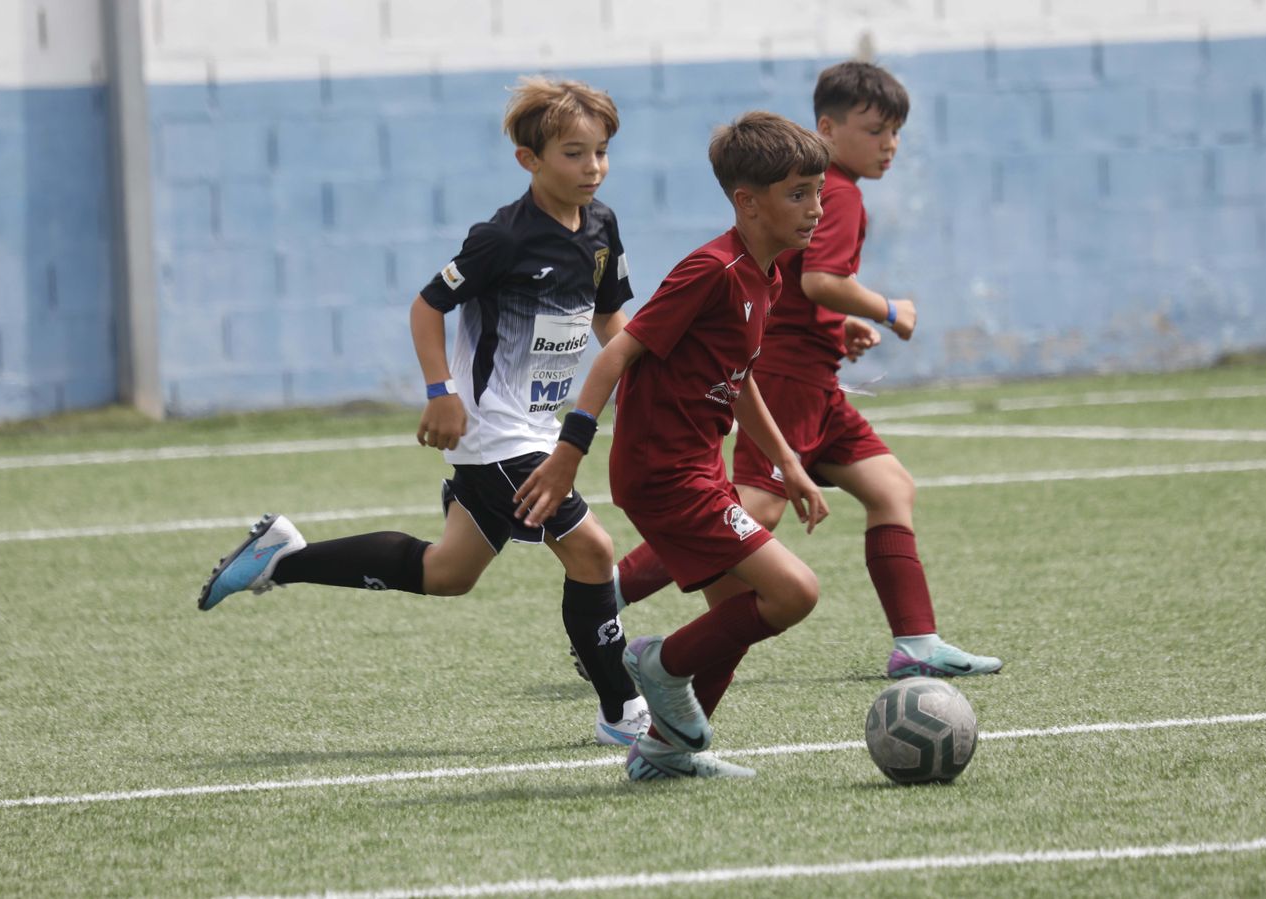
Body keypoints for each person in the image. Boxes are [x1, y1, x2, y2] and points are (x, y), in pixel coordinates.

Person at [195, 76, 650, 748]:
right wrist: (442, 392)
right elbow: (426, 306)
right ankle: (624, 712)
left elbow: (611, 318)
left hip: (535, 426)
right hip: (495, 435)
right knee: (592, 550)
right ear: (530, 160)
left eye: (601, 153)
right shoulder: (501, 238)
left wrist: (649, 374)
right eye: (574, 154)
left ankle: (279, 557)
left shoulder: (603, 225)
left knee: (448, 572)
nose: (593, 168)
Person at [611, 61, 1003, 679]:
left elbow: (798, 287)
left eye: (896, 132)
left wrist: (835, 325)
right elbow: (822, 279)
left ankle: (917, 642)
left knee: (890, 487)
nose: (889, 144)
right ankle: (607, 596)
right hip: (788, 382)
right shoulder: (838, 193)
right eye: (875, 131)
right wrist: (888, 308)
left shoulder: (823, 194)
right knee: (752, 514)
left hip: (817, 379)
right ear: (828, 128)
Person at [514, 111, 833, 780]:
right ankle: (655, 663)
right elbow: (614, 356)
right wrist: (571, 451)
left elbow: (737, 382)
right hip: (663, 472)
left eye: (818, 190)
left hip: (698, 468)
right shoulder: (712, 270)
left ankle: (663, 751)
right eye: (799, 193)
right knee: (794, 593)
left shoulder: (765, 277)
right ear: (747, 202)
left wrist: (789, 465)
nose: (816, 208)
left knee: (732, 615)